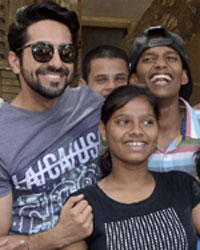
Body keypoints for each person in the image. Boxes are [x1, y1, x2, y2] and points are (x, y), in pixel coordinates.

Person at [0, 1, 104, 250]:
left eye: (66, 52)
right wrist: (56, 237)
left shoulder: (92, 102)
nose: (57, 63)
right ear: (15, 61)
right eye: (42, 51)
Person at [61, 85, 200, 250]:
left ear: (157, 129)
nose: (136, 131)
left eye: (147, 122)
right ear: (103, 131)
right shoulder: (83, 206)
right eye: (124, 122)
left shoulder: (183, 187)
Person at [129, 26, 200, 177]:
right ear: (134, 80)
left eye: (170, 58)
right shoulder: (122, 133)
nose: (161, 65)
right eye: (149, 59)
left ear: (184, 76)